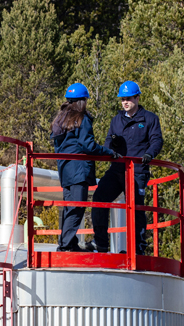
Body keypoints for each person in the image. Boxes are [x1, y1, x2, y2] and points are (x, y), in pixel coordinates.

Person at [89, 81, 163, 254]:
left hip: (137, 172)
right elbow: (108, 143)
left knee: (136, 207)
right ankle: (100, 243)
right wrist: (111, 147)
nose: (125, 102)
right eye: (123, 99)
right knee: (99, 198)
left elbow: (157, 140)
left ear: (137, 98)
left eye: (129, 98)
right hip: (117, 170)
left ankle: (138, 249)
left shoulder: (150, 119)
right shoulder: (116, 120)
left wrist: (149, 155)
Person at [50, 83, 117, 252]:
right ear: (82, 101)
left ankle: (68, 242)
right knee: (77, 206)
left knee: (69, 206)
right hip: (79, 170)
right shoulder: (81, 118)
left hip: (65, 171)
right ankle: (65, 245)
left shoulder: (60, 120)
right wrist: (108, 152)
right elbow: (88, 145)